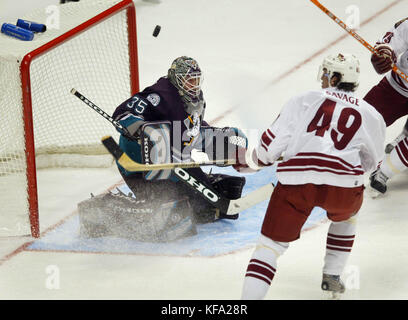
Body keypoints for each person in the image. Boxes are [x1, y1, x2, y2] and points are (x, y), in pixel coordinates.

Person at [234, 53, 386, 299]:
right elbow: (372, 162)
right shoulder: (371, 114)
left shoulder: (303, 99)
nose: (323, 78)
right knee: (348, 216)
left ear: (335, 77)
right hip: (344, 189)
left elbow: (267, 151)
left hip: (298, 184)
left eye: (327, 73)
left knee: (269, 247)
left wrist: (247, 161)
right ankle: (332, 276)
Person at [78, 56, 247, 242]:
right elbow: (123, 112)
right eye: (189, 80)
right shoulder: (160, 95)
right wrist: (137, 128)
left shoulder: (196, 99)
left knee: (206, 208)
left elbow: (192, 132)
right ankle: (104, 208)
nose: (194, 84)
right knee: (170, 216)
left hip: (176, 162)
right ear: (176, 78)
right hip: (143, 165)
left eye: (196, 79)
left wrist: (226, 142)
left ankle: (204, 186)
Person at [364, 17, 408, 194]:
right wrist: (384, 54)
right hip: (396, 88)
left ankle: (383, 172)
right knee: (357, 122)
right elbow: (390, 42)